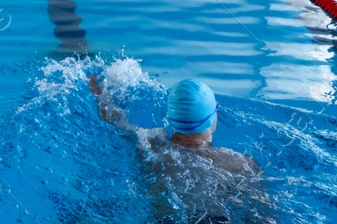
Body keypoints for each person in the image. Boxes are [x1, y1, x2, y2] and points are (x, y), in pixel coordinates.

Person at [88, 72, 258, 177]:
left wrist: (98, 91)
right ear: (212, 118)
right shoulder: (239, 164)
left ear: (172, 118)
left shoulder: (151, 142)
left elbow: (112, 117)